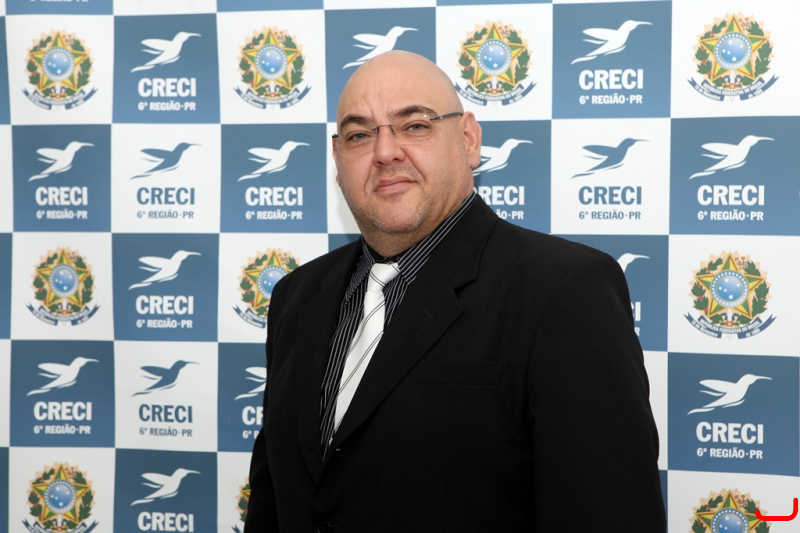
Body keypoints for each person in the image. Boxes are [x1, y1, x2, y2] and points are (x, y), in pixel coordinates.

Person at [245, 51, 665, 532]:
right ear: (337, 159)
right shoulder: (297, 297)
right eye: (360, 135)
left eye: (415, 126)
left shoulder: (565, 291)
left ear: (468, 140)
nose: (385, 152)